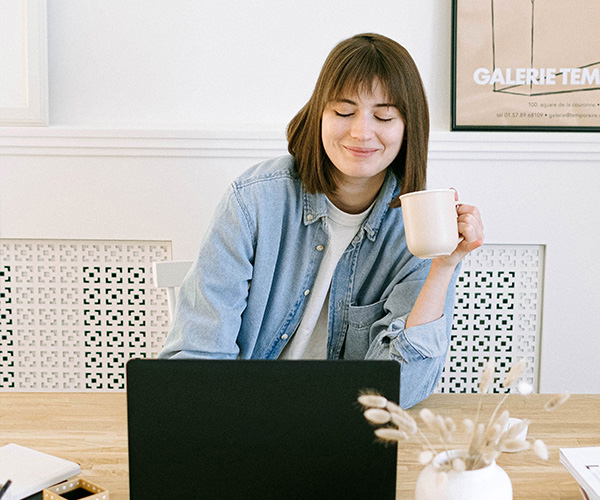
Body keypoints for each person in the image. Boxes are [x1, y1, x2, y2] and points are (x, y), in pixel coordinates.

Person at [159, 33, 484, 408]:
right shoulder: (254, 200)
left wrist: (443, 266)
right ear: (319, 115)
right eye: (343, 112)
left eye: (383, 115)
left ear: (408, 126)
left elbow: (400, 390)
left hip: (344, 427)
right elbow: (197, 360)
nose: (361, 132)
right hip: (243, 414)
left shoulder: (422, 226)